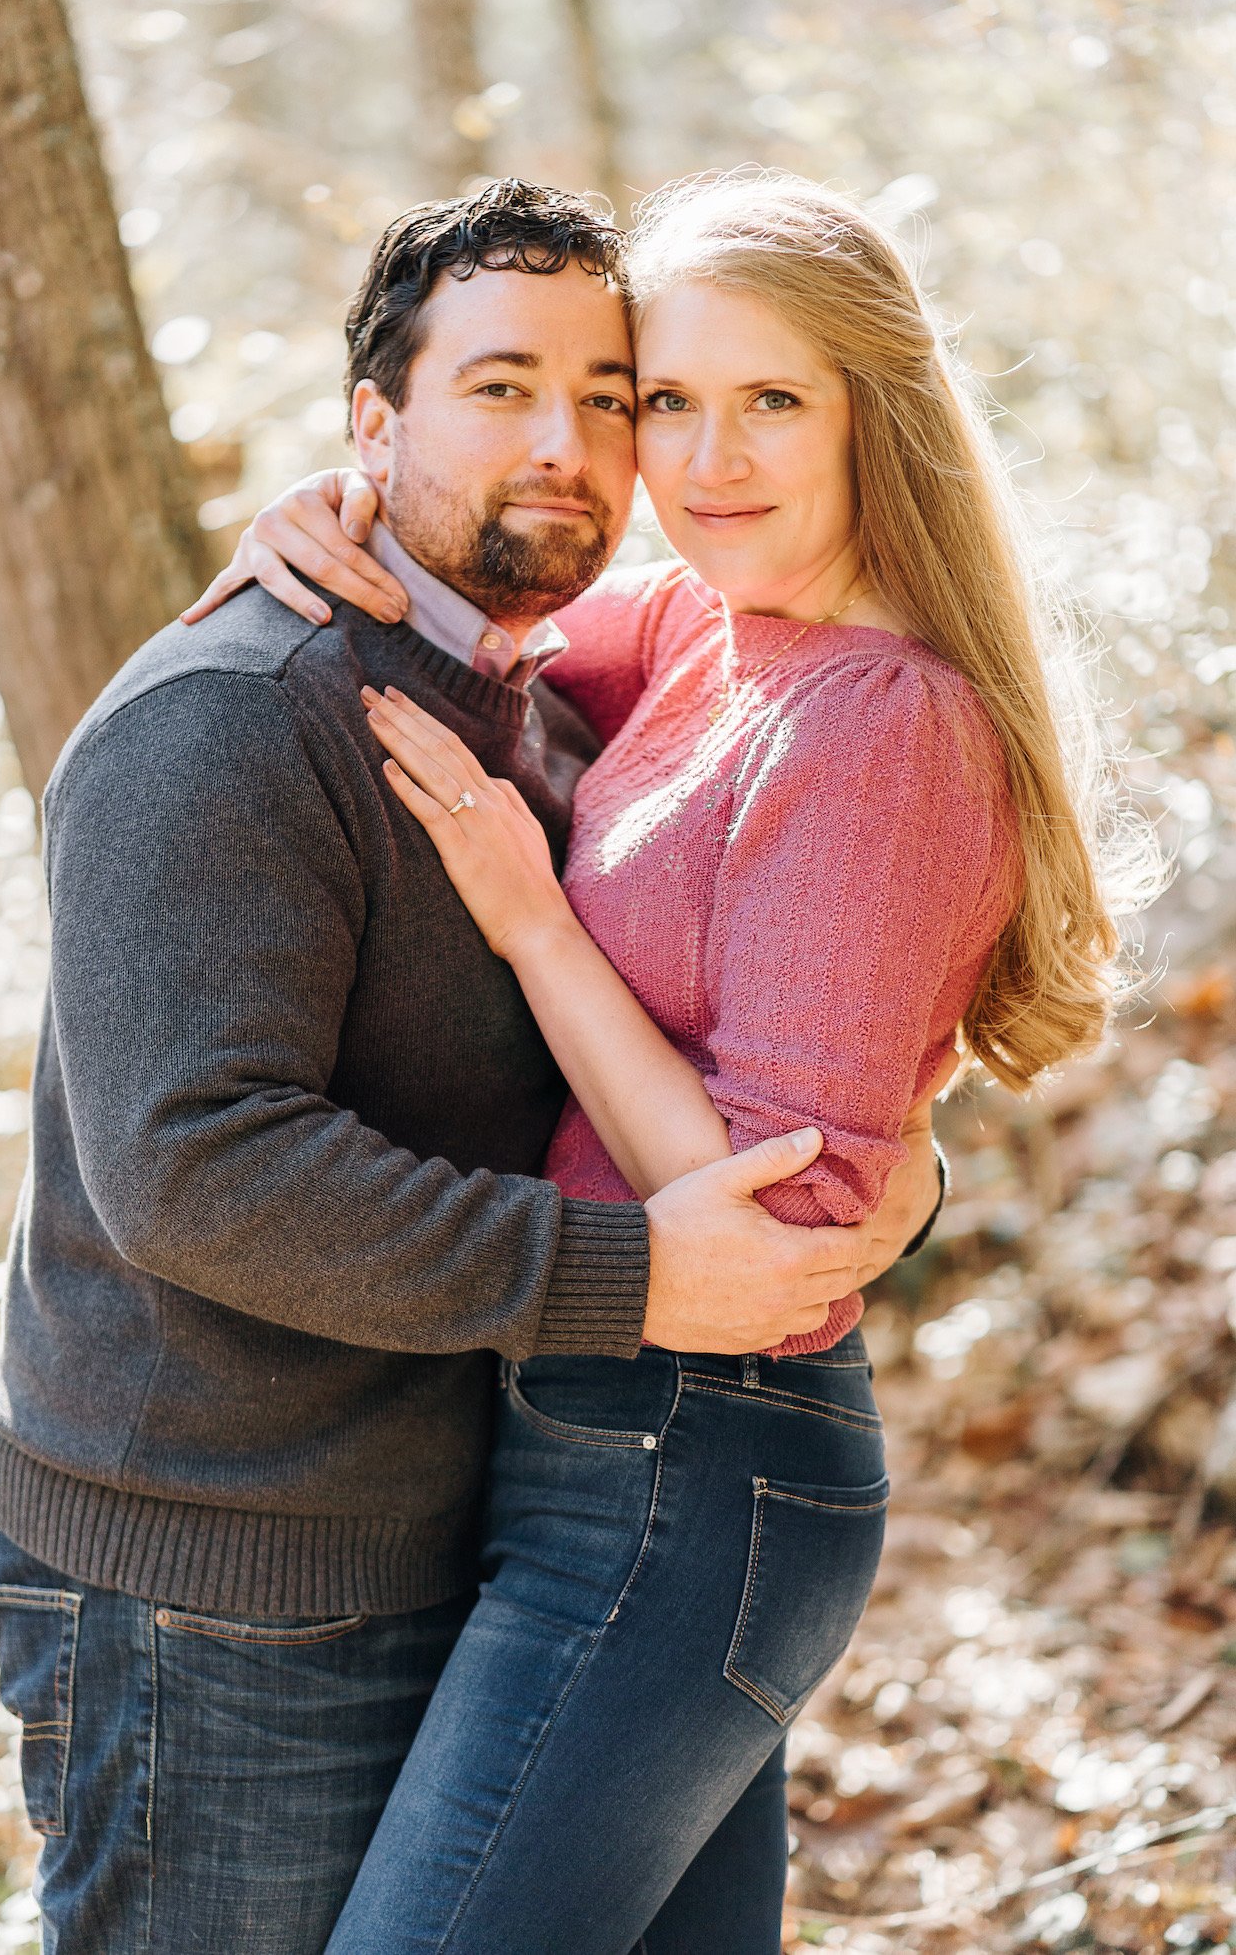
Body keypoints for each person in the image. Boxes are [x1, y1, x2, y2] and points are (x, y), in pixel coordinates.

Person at [0, 179, 943, 1955]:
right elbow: (196, 1166)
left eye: (608, 391)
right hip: (214, 1584)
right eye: (499, 385)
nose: (567, 441)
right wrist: (638, 1274)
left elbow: (771, 980)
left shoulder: (562, 698)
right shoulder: (228, 720)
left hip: (471, 1531)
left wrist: (895, 1168)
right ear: (374, 420)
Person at [191, 171, 1144, 1954]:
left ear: (884, 413)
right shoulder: (711, 624)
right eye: (665, 403)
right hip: (600, 1429)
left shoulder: (887, 724)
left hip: (701, 1461)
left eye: (773, 399)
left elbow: (770, 1237)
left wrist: (533, 921)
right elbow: (485, 597)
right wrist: (325, 499)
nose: (705, 460)